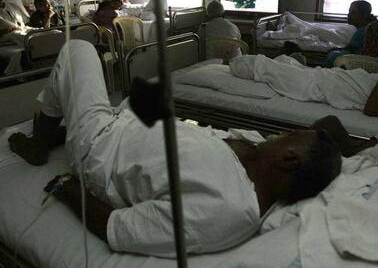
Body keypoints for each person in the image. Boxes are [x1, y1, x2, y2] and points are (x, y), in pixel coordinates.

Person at [7, 40, 341, 257]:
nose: (281, 133)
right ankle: (56, 127)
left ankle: (39, 143)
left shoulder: (228, 210)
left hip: (99, 147)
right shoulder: (254, 149)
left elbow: (116, 227)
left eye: (291, 134)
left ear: (290, 158)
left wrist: (67, 187)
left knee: (77, 49)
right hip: (126, 121)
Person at [229, 54, 378, 120]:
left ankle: (225, 63)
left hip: (320, 87)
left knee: (257, 65)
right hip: (329, 76)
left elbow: (372, 109)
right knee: (285, 61)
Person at [324, 0, 377, 68]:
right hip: (364, 60)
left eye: (353, 12)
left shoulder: (362, 30)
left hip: (360, 61)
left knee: (332, 56)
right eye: (349, 11)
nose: (349, 15)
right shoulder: (369, 27)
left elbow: (350, 48)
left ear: (364, 15)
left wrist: (336, 49)